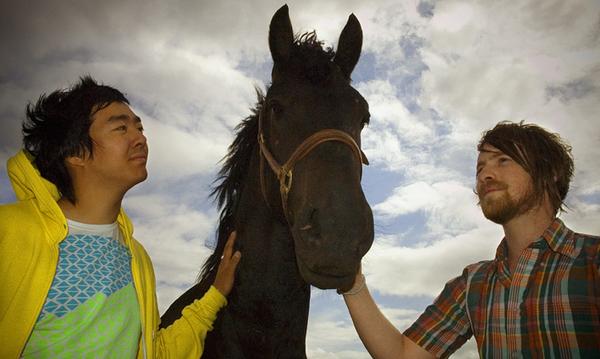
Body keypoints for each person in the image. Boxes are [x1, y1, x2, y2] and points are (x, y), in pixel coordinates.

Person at [0, 76, 241, 358]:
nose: (140, 138)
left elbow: (156, 353)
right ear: (76, 152)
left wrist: (215, 295)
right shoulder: (10, 231)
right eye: (121, 128)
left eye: (139, 127)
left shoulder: (137, 259)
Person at [341, 121, 600, 358]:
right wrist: (352, 280)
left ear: (550, 172)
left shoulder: (592, 260)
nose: (484, 175)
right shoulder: (472, 284)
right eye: (480, 167)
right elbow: (402, 355)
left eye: (503, 160)